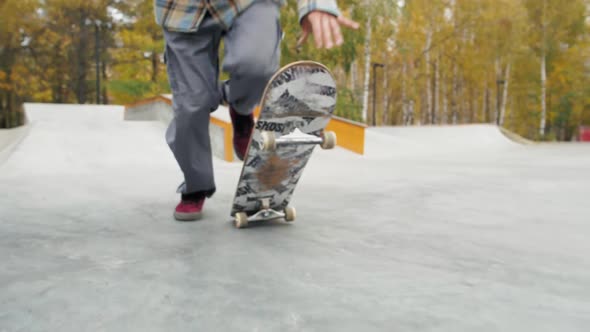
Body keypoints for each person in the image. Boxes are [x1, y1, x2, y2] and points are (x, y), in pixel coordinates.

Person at [154, 0, 359, 221]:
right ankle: (196, 185)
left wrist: (314, 4)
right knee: (190, 107)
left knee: (256, 65)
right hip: (181, 10)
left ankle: (241, 108)